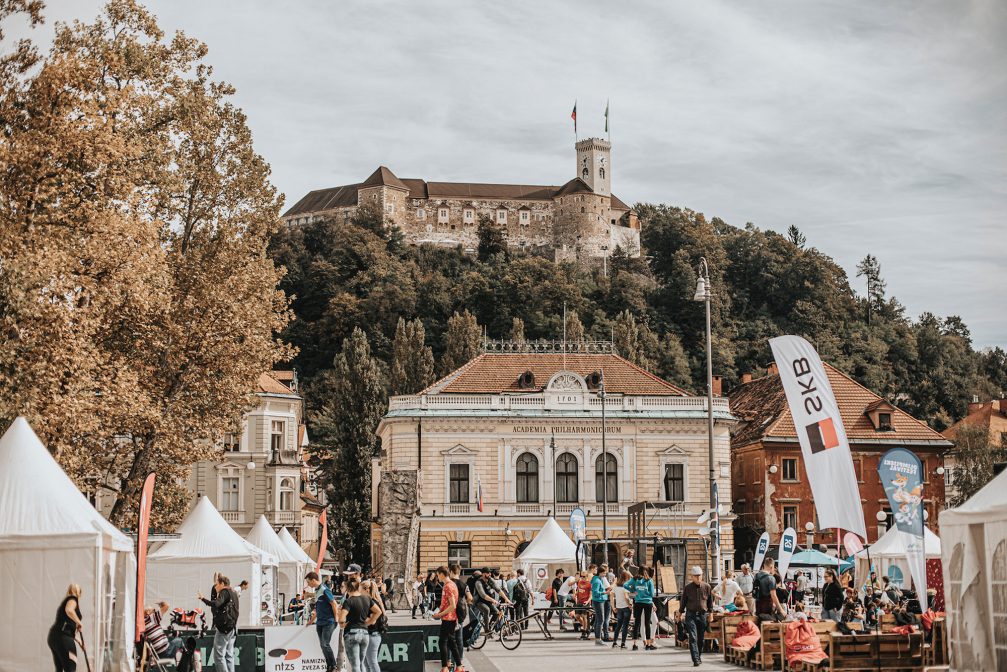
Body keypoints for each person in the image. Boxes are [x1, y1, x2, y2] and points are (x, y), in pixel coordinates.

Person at [338, 576, 381, 672]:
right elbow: (378, 611)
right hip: (365, 633)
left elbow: (341, 619)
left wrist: (342, 624)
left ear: (348, 589)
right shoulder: (367, 599)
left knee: (355, 665)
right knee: (361, 664)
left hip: (352, 632)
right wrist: (368, 623)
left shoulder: (348, 601)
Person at [197, 575, 238, 672]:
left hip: (224, 628)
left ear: (222, 584)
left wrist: (203, 598)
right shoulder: (234, 593)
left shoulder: (224, 592)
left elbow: (216, 604)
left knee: (218, 657)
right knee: (229, 655)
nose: (215, 587)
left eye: (217, 584)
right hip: (232, 627)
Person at [305, 571, 339, 672]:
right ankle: (329, 666)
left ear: (313, 580)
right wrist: (311, 621)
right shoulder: (317, 590)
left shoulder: (325, 589)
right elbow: (318, 608)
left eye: (308, 582)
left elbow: (333, 603)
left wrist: (336, 619)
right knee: (322, 645)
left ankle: (333, 665)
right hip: (320, 622)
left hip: (328, 622)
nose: (308, 584)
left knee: (325, 644)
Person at [680, 566, 713, 667]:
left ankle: (698, 655)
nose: (698, 578)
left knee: (701, 639)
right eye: (696, 576)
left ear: (702, 576)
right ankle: (696, 659)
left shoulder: (707, 587)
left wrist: (711, 614)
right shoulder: (688, 588)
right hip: (691, 615)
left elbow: (710, 602)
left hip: (702, 615)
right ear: (692, 577)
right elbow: (683, 602)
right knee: (693, 637)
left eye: (700, 576)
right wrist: (680, 613)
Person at [432, 566, 463, 672]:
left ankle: (445, 667)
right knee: (451, 643)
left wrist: (440, 615)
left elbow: (452, 605)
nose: (437, 577)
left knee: (442, 642)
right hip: (451, 618)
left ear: (441, 574)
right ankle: (459, 666)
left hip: (448, 619)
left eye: (437, 575)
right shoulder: (452, 584)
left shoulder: (448, 586)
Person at [48, 584, 84, 672]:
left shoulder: (65, 602)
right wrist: (79, 622)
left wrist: (79, 641)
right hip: (63, 638)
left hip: (54, 637)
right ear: (78, 593)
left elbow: (65, 626)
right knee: (71, 669)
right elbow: (69, 610)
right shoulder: (73, 599)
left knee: (59, 669)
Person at [626, 566, 656, 651]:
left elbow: (625, 585)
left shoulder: (635, 579)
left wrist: (634, 591)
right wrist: (645, 593)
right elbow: (651, 594)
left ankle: (635, 644)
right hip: (647, 603)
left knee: (637, 623)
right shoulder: (649, 580)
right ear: (646, 571)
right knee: (647, 623)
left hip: (638, 602)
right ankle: (648, 645)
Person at [363, 578, 387, 672]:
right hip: (370, 635)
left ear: (366, 590)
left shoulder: (372, 602)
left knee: (372, 662)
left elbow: (372, 621)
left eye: (360, 589)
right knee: (367, 663)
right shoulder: (371, 601)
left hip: (372, 635)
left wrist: (358, 618)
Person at [447, 564, 468, 672]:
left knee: (449, 639)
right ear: (459, 572)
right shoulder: (463, 584)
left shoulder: (448, 584)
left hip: (450, 614)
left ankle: (449, 661)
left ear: (450, 571)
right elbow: (469, 598)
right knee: (459, 639)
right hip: (460, 615)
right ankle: (459, 663)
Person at [754, 557, 783, 622]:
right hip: (767, 606)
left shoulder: (756, 575)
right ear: (771, 566)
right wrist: (780, 610)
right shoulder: (771, 578)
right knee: (768, 627)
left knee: (759, 623)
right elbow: (774, 596)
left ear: (764, 565)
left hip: (757, 604)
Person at [610, 571, 633, 649]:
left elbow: (611, 595)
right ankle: (623, 643)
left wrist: (613, 607)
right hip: (626, 608)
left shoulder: (616, 586)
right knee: (625, 626)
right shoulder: (626, 586)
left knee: (618, 625)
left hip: (618, 608)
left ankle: (614, 642)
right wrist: (629, 605)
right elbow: (626, 597)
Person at [591, 564, 612, 644]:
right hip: (598, 601)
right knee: (601, 620)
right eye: (604, 573)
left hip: (599, 601)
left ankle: (598, 638)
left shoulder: (597, 579)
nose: (605, 574)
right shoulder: (597, 580)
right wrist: (605, 592)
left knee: (598, 620)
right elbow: (595, 593)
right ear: (600, 573)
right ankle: (598, 638)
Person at [575, 571, 592, 639]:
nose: (582, 578)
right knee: (577, 616)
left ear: (587, 577)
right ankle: (586, 627)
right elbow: (578, 590)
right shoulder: (579, 582)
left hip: (585, 602)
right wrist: (575, 594)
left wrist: (587, 601)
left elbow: (591, 595)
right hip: (579, 602)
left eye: (583, 576)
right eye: (581, 576)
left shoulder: (589, 584)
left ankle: (584, 631)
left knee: (584, 616)